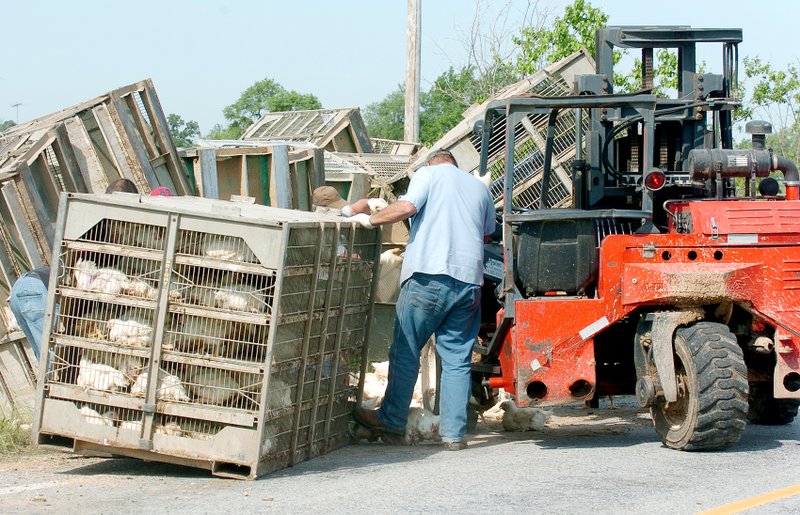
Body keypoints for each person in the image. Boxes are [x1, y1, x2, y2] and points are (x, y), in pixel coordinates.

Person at [349, 149, 495, 450]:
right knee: (456, 359)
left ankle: (392, 419)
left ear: (431, 163)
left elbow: (407, 207)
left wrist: (371, 219)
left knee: (406, 350)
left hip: (428, 278)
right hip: (469, 283)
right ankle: (454, 434)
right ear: (455, 164)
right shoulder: (480, 189)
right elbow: (486, 235)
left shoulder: (427, 175)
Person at [7, 178, 140, 359]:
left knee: (46, 361)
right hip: (37, 291)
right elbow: (75, 271)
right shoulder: (98, 227)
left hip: (25, 287)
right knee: (55, 360)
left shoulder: (96, 225)